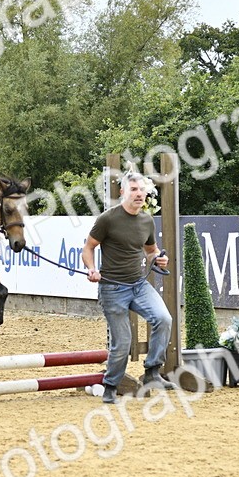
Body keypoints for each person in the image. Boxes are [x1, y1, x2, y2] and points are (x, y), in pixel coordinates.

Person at [81, 172, 174, 404]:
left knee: (164, 319)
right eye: (133, 189)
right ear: (123, 192)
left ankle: (153, 371)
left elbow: (151, 251)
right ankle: (111, 385)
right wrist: (92, 269)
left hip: (139, 285)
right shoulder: (108, 219)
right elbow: (88, 248)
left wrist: (159, 259)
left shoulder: (146, 220)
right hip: (112, 288)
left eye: (142, 190)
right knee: (122, 342)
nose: (139, 193)